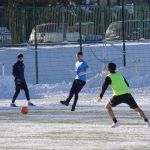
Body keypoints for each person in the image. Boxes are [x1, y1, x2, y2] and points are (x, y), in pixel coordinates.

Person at [97, 63, 150, 128]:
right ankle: (147, 122)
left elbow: (104, 87)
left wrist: (100, 96)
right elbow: (127, 84)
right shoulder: (120, 75)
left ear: (108, 69)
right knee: (138, 109)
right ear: (115, 68)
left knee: (108, 107)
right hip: (127, 94)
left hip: (118, 96)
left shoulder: (108, 77)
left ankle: (115, 122)